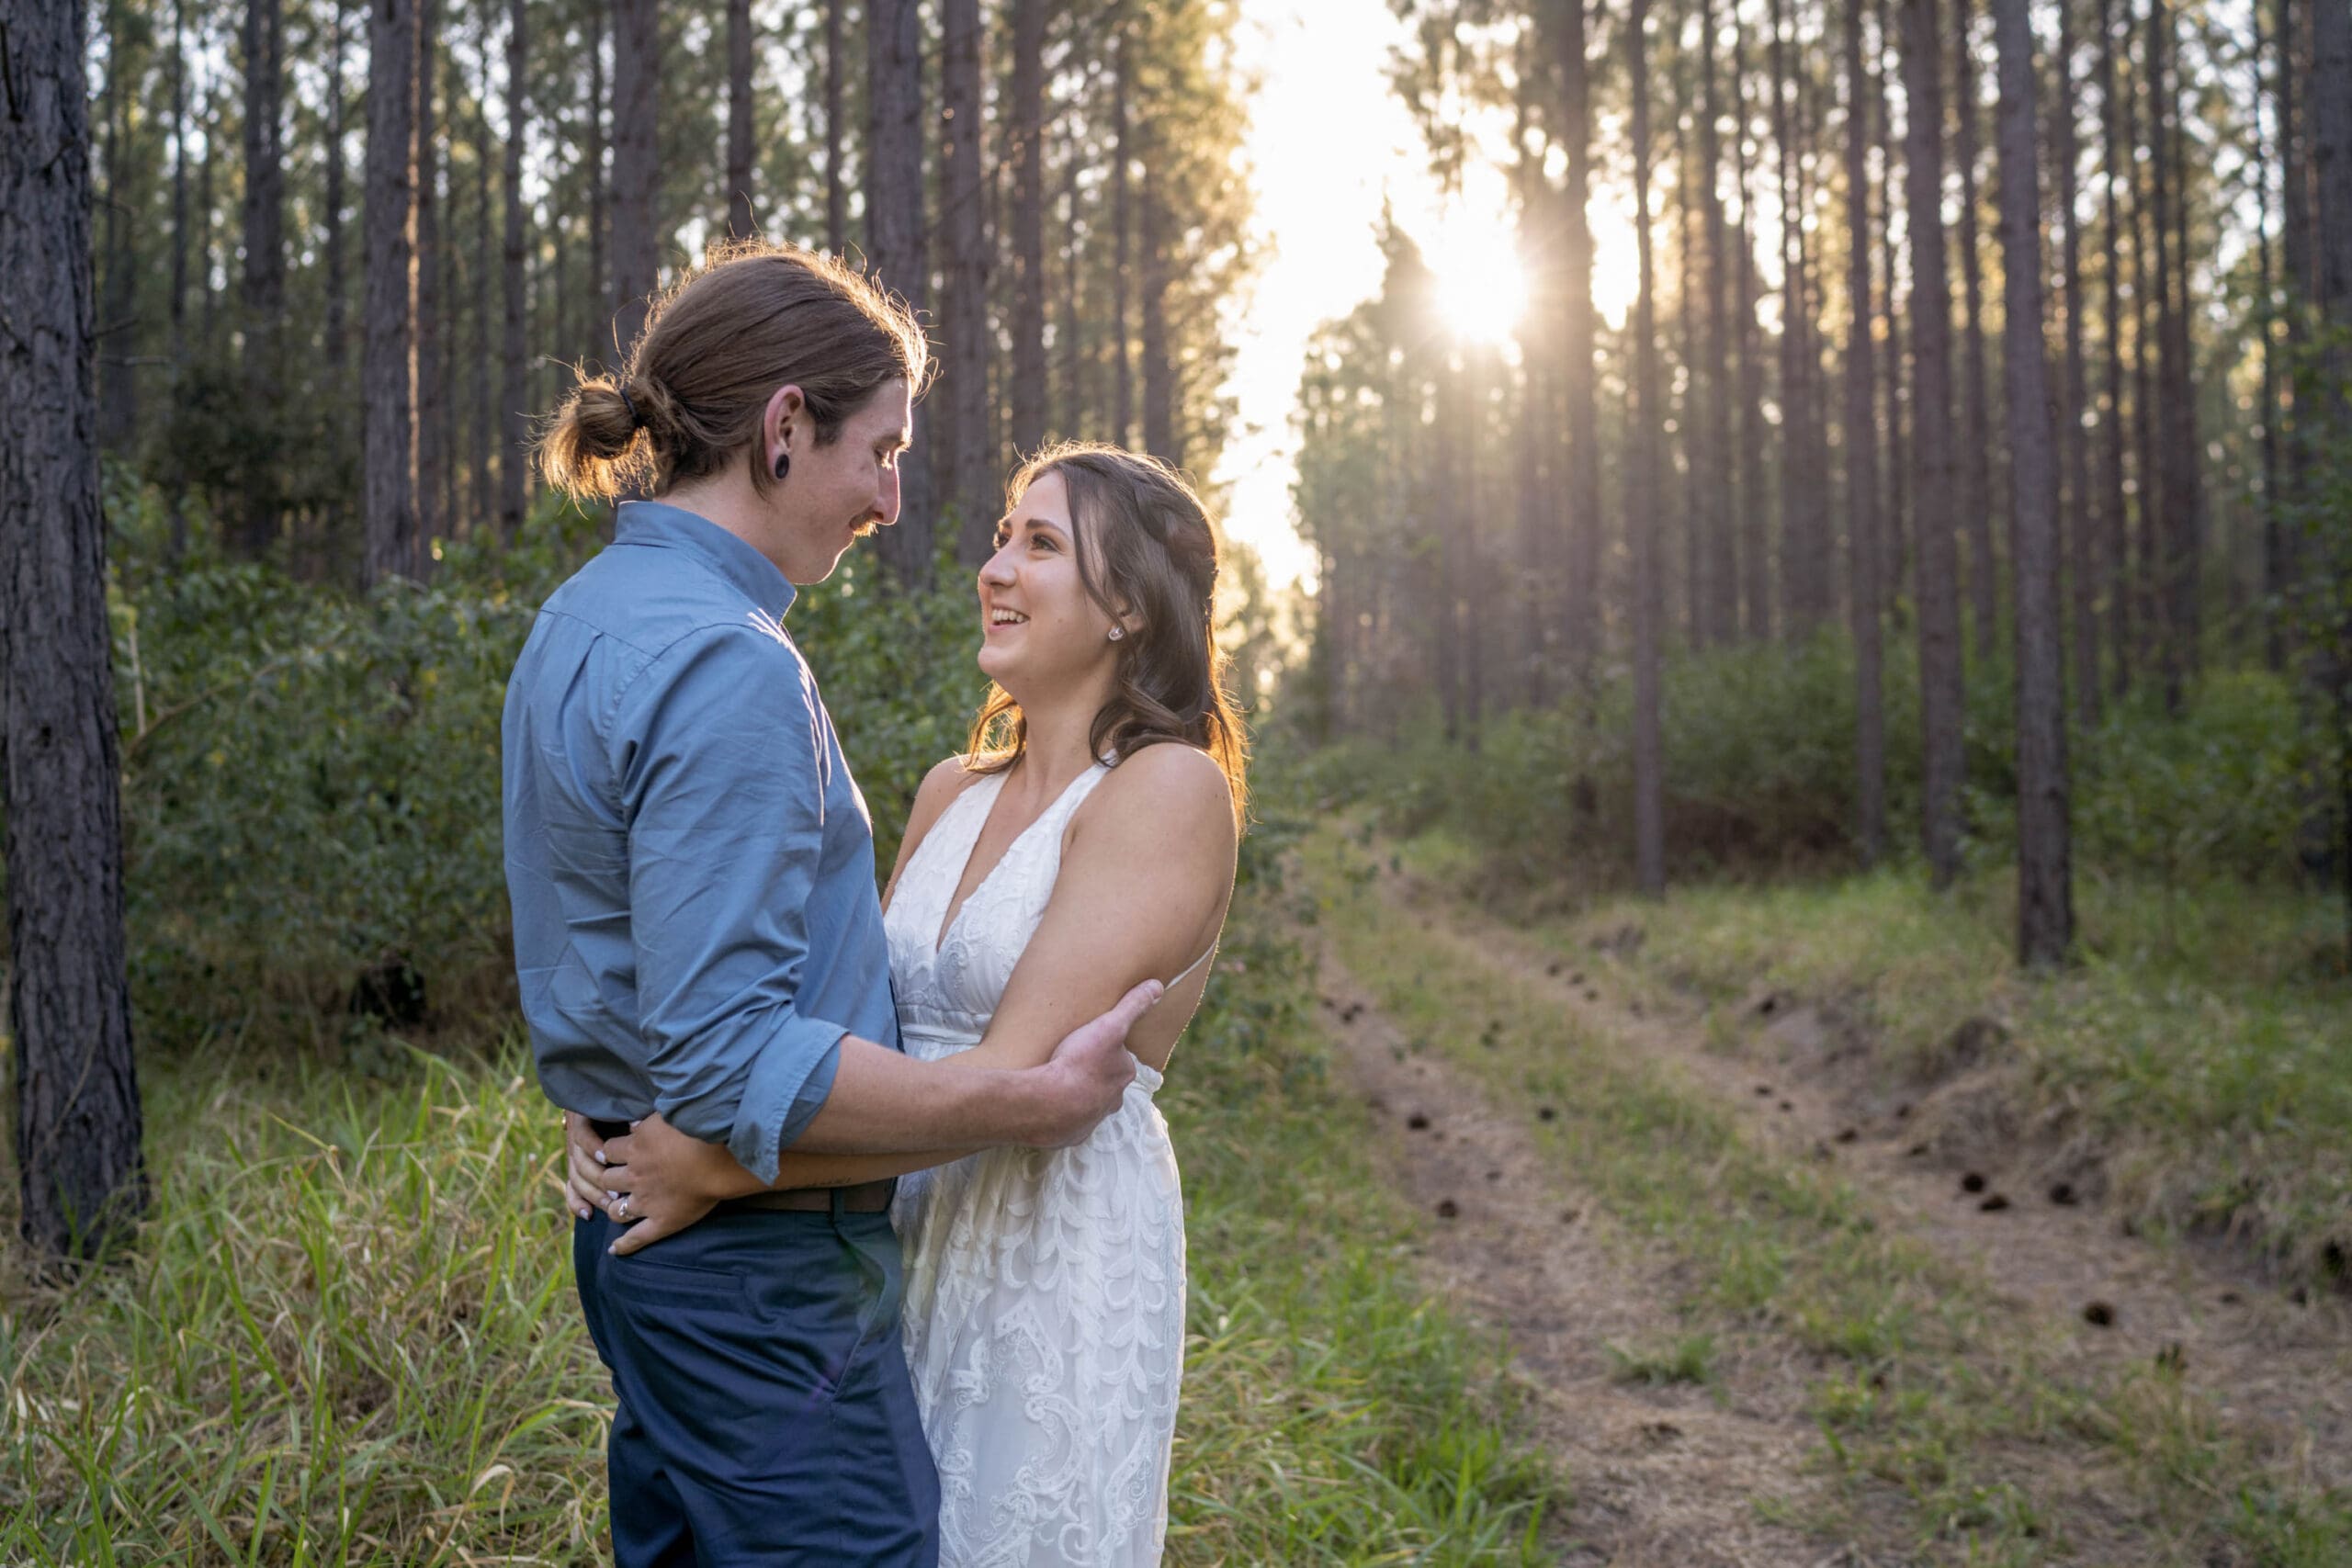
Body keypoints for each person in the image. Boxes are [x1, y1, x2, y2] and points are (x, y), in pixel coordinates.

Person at [504, 240, 1159, 1568]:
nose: (892, 497)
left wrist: (615, 1104)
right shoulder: (728, 665)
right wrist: (1021, 1104)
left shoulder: (580, 620)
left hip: (663, 1258)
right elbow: (728, 1055)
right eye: (882, 448)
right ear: (785, 426)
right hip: (760, 1289)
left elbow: (611, 957)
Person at [570, 441, 1246, 1565]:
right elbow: (847, 1018)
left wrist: (711, 1165)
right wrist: (624, 1097)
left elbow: (1010, 1086)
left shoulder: (1164, 789)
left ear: (1129, 603)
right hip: (883, 1221)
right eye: (998, 537)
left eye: (1040, 545)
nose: (993, 567)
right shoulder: (950, 788)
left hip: (1039, 1232)